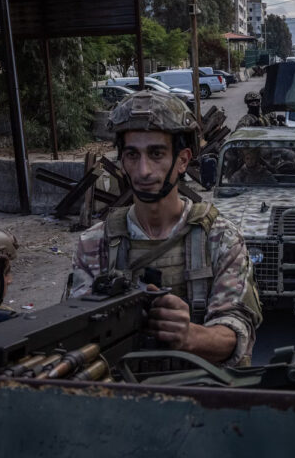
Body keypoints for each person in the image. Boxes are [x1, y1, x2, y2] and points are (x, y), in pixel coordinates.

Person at [70, 91, 262, 367]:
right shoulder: (95, 243)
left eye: (156, 153)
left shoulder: (220, 238)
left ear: (183, 160)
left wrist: (190, 336)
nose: (144, 170)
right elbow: (77, 335)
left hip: (197, 396)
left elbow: (237, 336)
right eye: (132, 155)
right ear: (122, 162)